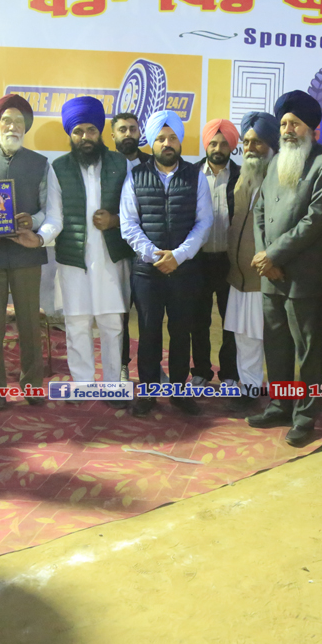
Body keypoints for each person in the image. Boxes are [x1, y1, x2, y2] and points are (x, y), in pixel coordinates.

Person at [247, 90, 322, 446]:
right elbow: (260, 211)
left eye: (295, 124)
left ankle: (305, 415)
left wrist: (273, 255)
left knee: (306, 351)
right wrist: (264, 256)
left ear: (311, 128)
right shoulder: (276, 161)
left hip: (304, 276)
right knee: (277, 346)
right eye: (284, 124)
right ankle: (280, 404)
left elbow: (315, 219)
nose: (288, 130)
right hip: (271, 275)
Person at [0, 94, 61, 410]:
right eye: (7, 120)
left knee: (29, 324)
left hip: (26, 254)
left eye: (19, 122)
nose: (13, 126)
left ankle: (32, 385)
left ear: (26, 128)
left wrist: (33, 222)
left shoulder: (41, 164)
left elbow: (50, 211)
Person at [120, 110, 212, 416]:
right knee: (148, 331)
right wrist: (155, 255)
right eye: (160, 138)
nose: (167, 143)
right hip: (147, 271)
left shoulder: (196, 176)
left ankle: (178, 392)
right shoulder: (135, 176)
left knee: (181, 331)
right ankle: (148, 392)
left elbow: (204, 222)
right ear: (151, 142)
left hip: (185, 270)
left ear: (180, 141)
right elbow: (128, 224)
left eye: (172, 137)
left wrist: (179, 255)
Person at [47, 96, 133, 399]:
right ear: (70, 134)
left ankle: (112, 385)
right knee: (77, 323)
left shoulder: (121, 164)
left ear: (100, 132)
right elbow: (54, 217)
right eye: (78, 131)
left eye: (91, 130)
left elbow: (133, 212)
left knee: (112, 324)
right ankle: (82, 384)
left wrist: (114, 220)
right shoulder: (58, 168)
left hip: (111, 257)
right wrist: (40, 237)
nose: (85, 137)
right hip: (74, 259)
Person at [223, 112, 278, 412]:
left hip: (265, 276)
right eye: (246, 142)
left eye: (257, 142)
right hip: (238, 276)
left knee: (267, 339)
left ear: (272, 144)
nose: (250, 148)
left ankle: (281, 397)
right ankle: (250, 387)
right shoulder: (243, 177)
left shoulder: (282, 178)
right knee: (243, 336)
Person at [191, 119, 241, 389]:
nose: (218, 148)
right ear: (206, 144)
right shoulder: (190, 175)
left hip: (229, 261)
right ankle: (200, 370)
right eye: (213, 143)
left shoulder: (243, 176)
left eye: (223, 143)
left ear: (232, 146)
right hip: (197, 261)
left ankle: (230, 373)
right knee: (198, 320)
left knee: (230, 321)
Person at [110, 112, 153, 381]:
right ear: (113, 135)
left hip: (147, 251)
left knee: (149, 315)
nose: (128, 134)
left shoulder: (153, 164)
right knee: (119, 314)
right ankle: (122, 364)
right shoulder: (105, 165)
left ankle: (151, 368)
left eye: (133, 129)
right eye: (122, 129)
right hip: (114, 251)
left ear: (140, 133)